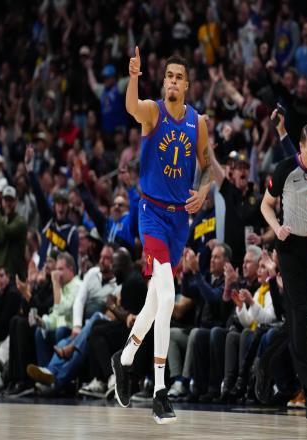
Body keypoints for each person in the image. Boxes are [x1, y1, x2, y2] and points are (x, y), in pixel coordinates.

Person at [111, 47, 211, 424]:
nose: (172, 81)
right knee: (167, 296)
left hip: (179, 222)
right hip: (151, 214)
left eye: (178, 77)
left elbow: (207, 166)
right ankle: (159, 391)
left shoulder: (197, 122)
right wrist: (133, 77)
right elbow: (131, 107)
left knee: (155, 304)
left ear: (186, 86)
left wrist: (203, 190)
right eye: (168, 75)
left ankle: (123, 359)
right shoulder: (153, 112)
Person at [260, 123, 307, 418]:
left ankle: (264, 364)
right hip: (288, 247)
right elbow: (266, 206)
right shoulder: (284, 170)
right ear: (300, 147)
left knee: (293, 320)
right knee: (300, 313)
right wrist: (277, 228)